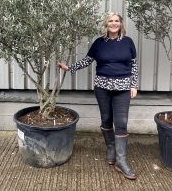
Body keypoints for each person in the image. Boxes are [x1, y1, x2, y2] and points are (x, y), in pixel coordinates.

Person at [58, 12, 138, 180]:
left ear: (121, 24)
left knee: (121, 123)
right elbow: (87, 60)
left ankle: (122, 161)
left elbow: (133, 65)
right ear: (106, 24)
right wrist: (69, 68)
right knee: (106, 120)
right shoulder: (99, 43)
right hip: (102, 87)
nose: (114, 24)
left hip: (123, 87)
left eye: (117, 21)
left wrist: (134, 84)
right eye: (111, 21)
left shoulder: (128, 42)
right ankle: (110, 148)